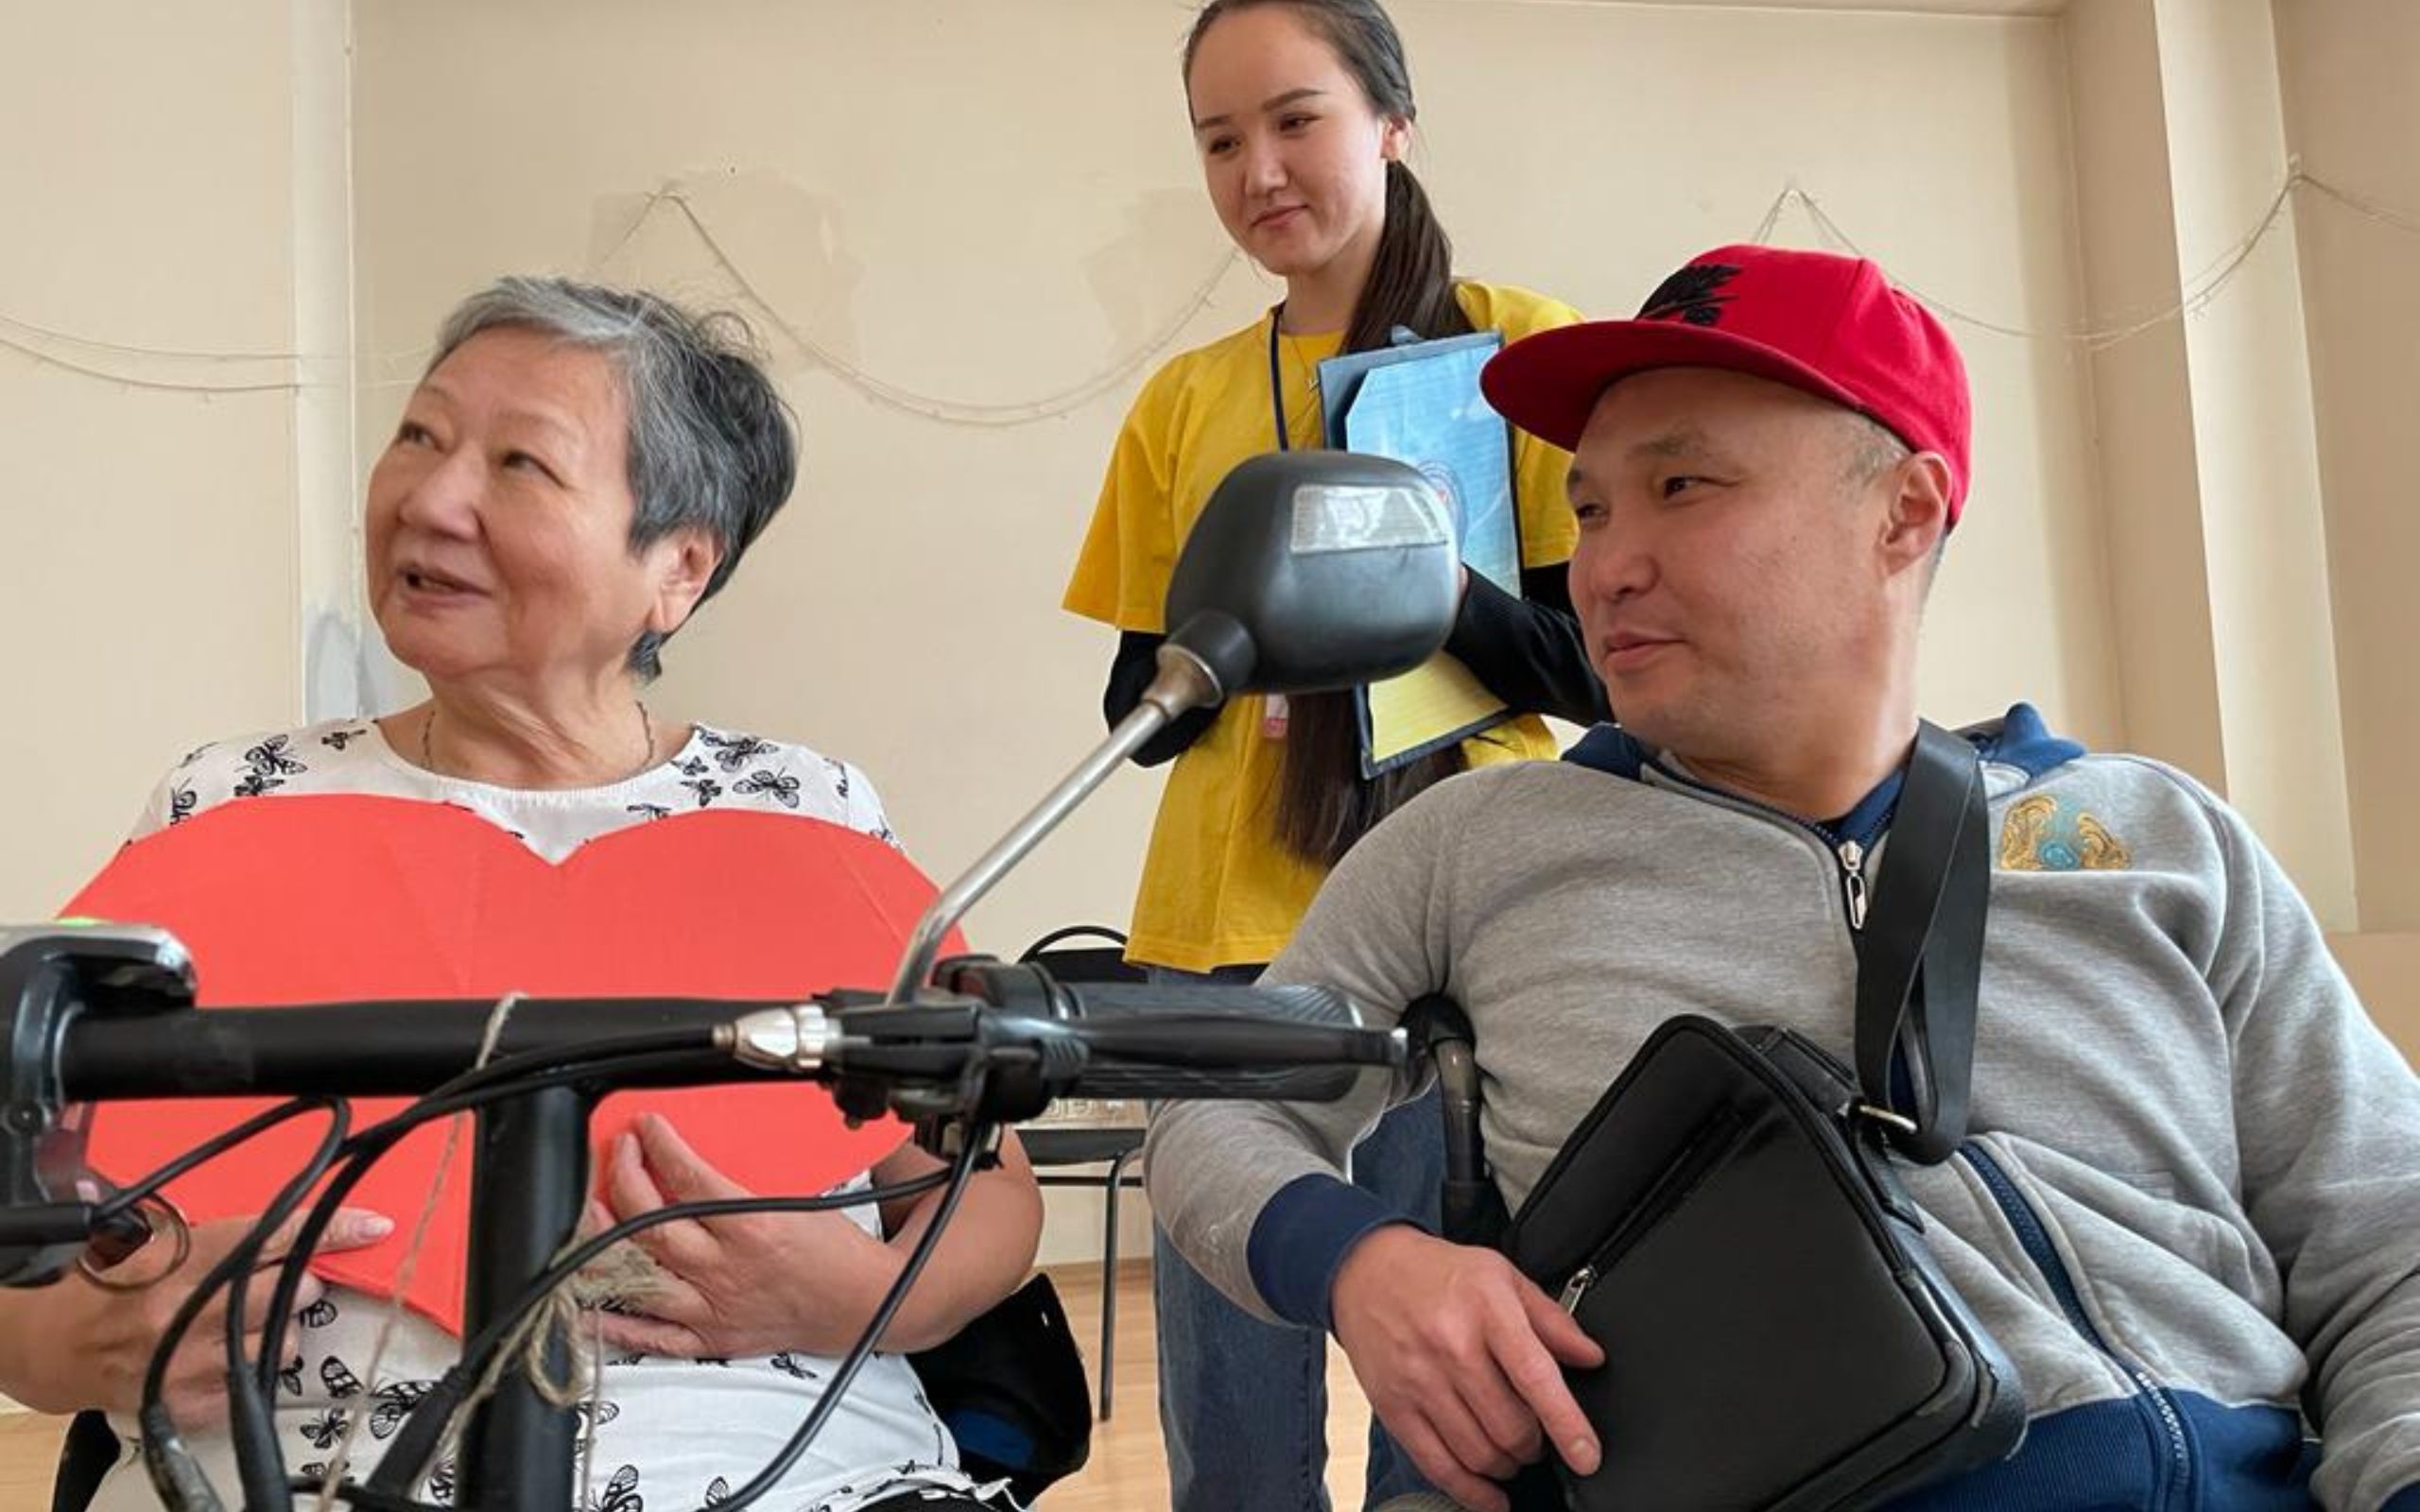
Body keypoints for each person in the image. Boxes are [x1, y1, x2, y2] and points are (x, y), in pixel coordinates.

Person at [1146, 244, 2420, 1512]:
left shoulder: (2158, 834)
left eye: (1680, 485)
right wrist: (1363, 1262)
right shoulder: (1473, 847)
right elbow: (1214, 1111)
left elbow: (2386, 1235)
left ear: (1903, 514)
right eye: (1592, 511)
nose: (1603, 568)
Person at [0, 277, 1044, 1512]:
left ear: (677, 566)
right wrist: (65, 1344)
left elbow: (986, 1186)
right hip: (287, 1466)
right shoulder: (227, 802)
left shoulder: (806, 809)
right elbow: (31, 1197)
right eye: (419, 437)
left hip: (797, 1464)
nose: (430, 500)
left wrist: (859, 1298)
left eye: (519, 465)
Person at [1060, 2, 1604, 1506]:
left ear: (1392, 123)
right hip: (1222, 946)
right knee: (1230, 1428)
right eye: (1219, 141)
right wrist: (1247, 630)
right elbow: (1137, 714)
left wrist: (1415, 584)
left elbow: (1594, 670)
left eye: (1297, 120)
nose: (1259, 171)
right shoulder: (1183, 402)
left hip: (1463, 935)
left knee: (1456, 1420)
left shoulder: (1524, 353)